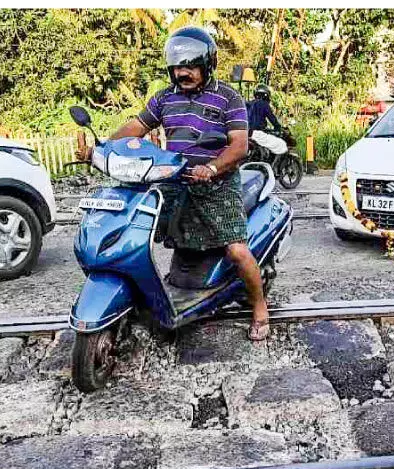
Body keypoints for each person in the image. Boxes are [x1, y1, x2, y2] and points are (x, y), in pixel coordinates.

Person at [76, 27, 271, 341]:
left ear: (207, 65)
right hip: (174, 181)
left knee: (236, 250)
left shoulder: (228, 98)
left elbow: (239, 146)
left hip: (217, 186)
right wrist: (101, 150)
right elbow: (136, 127)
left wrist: (212, 167)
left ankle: (260, 307)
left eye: (191, 66)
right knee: (135, 229)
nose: (183, 73)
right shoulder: (165, 98)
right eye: (178, 67)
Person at [247, 84, 288, 157]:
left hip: (246, 133)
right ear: (266, 95)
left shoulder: (248, 104)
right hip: (258, 133)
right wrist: (278, 127)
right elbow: (272, 118)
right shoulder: (264, 104)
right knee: (280, 144)